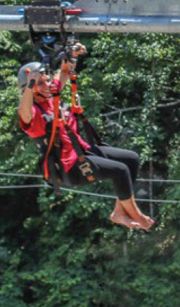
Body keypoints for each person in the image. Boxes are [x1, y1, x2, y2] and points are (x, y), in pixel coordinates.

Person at [18, 43, 155, 230]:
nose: (47, 85)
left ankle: (119, 212)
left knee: (131, 159)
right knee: (120, 170)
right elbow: (23, 113)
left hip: (83, 151)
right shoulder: (34, 114)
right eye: (40, 83)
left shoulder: (52, 96)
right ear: (30, 88)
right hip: (70, 166)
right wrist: (30, 85)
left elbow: (64, 72)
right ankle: (137, 216)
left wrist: (72, 55)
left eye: (47, 80)